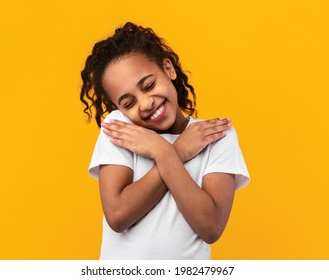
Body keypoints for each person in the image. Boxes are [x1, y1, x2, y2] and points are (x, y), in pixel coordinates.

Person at [80, 22, 250, 259]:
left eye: (149, 85)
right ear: (119, 108)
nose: (146, 103)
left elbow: (210, 227)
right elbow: (117, 215)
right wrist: (174, 151)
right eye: (128, 103)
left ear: (168, 69)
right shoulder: (120, 129)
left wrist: (162, 152)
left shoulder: (215, 136)